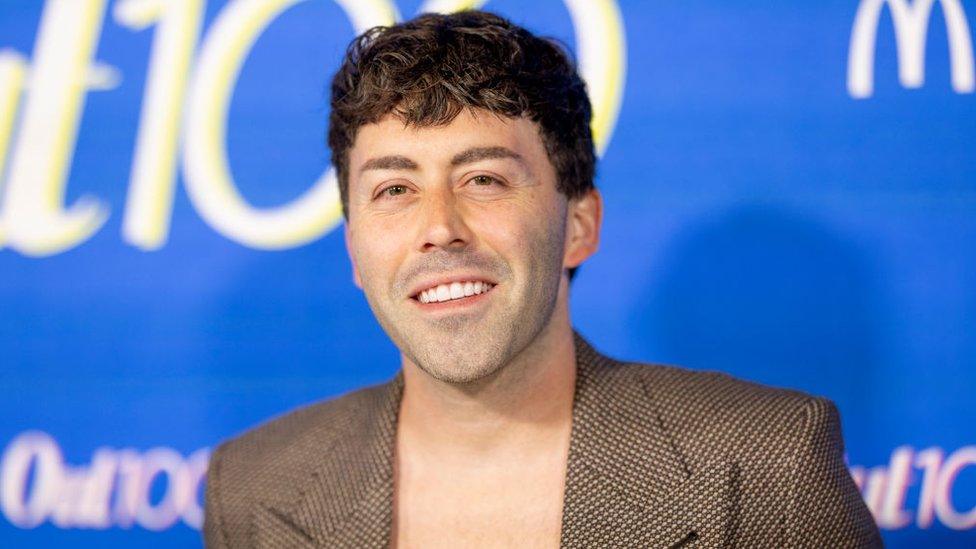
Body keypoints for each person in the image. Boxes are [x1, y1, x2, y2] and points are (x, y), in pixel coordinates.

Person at [202, 9, 882, 548]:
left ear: (580, 223)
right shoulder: (254, 486)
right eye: (395, 189)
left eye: (485, 179)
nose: (440, 226)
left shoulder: (763, 466)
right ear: (354, 250)